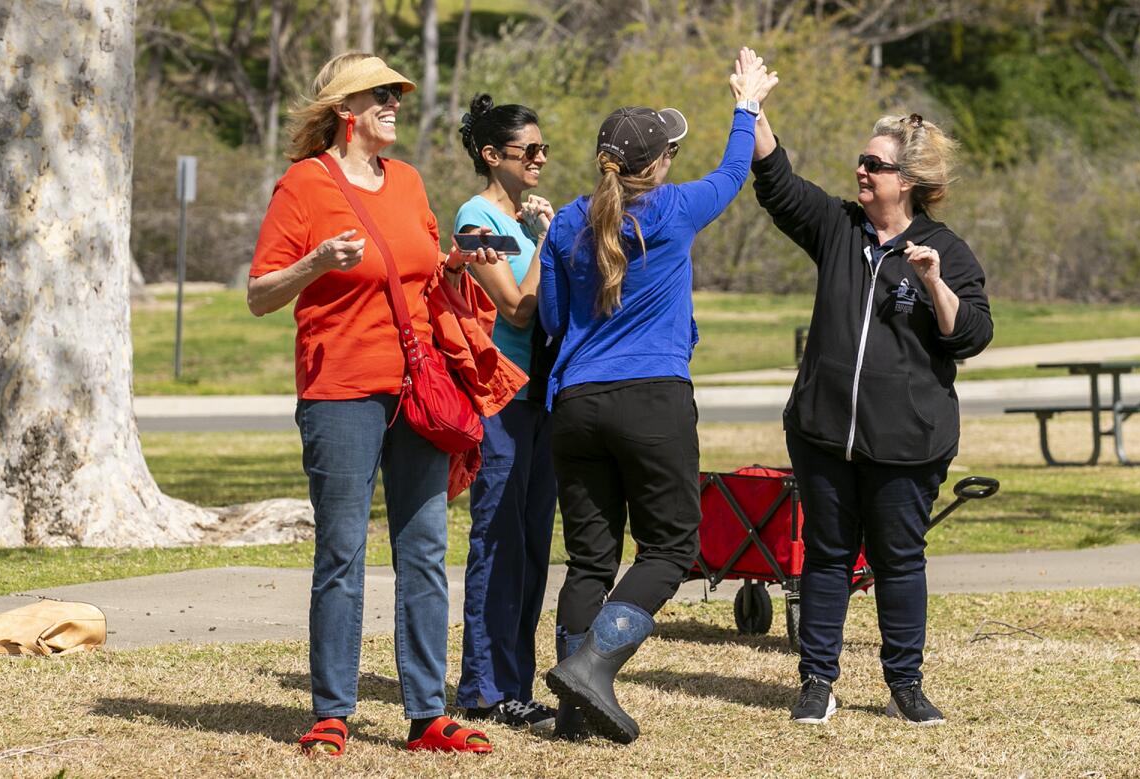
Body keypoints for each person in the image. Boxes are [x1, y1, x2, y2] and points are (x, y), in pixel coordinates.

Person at [247, 52, 504, 756]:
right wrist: (314, 264)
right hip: (339, 393)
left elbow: (419, 274)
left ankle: (426, 715)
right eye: (380, 93)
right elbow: (260, 293)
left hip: (419, 392)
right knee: (342, 552)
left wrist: (458, 261)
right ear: (345, 110)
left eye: (396, 91)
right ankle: (332, 710)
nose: (395, 101)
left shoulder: (410, 181)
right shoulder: (304, 185)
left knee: (423, 551)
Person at [742, 45, 994, 726]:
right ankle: (817, 682)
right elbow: (777, 181)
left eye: (874, 164)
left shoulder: (947, 248)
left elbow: (970, 334)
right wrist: (751, 107)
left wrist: (935, 280)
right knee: (825, 555)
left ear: (905, 181)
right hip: (824, 432)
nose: (860, 169)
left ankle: (904, 685)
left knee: (898, 560)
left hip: (906, 444)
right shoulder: (838, 228)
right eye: (861, 160)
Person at [538, 51, 779, 744]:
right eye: (670, 149)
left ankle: (571, 710)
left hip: (577, 407)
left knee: (590, 561)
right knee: (671, 548)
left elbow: (554, 321)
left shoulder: (567, 223)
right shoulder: (673, 210)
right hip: (651, 402)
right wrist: (745, 104)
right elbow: (737, 171)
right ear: (659, 165)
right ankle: (592, 672)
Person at [451, 94, 558, 732]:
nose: (541, 159)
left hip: (543, 395)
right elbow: (518, 308)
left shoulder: (526, 214)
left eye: (545, 150)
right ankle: (486, 689)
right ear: (493, 156)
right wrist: (546, 241)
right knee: (497, 540)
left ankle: (516, 680)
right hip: (500, 397)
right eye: (530, 151)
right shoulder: (474, 219)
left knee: (534, 543)